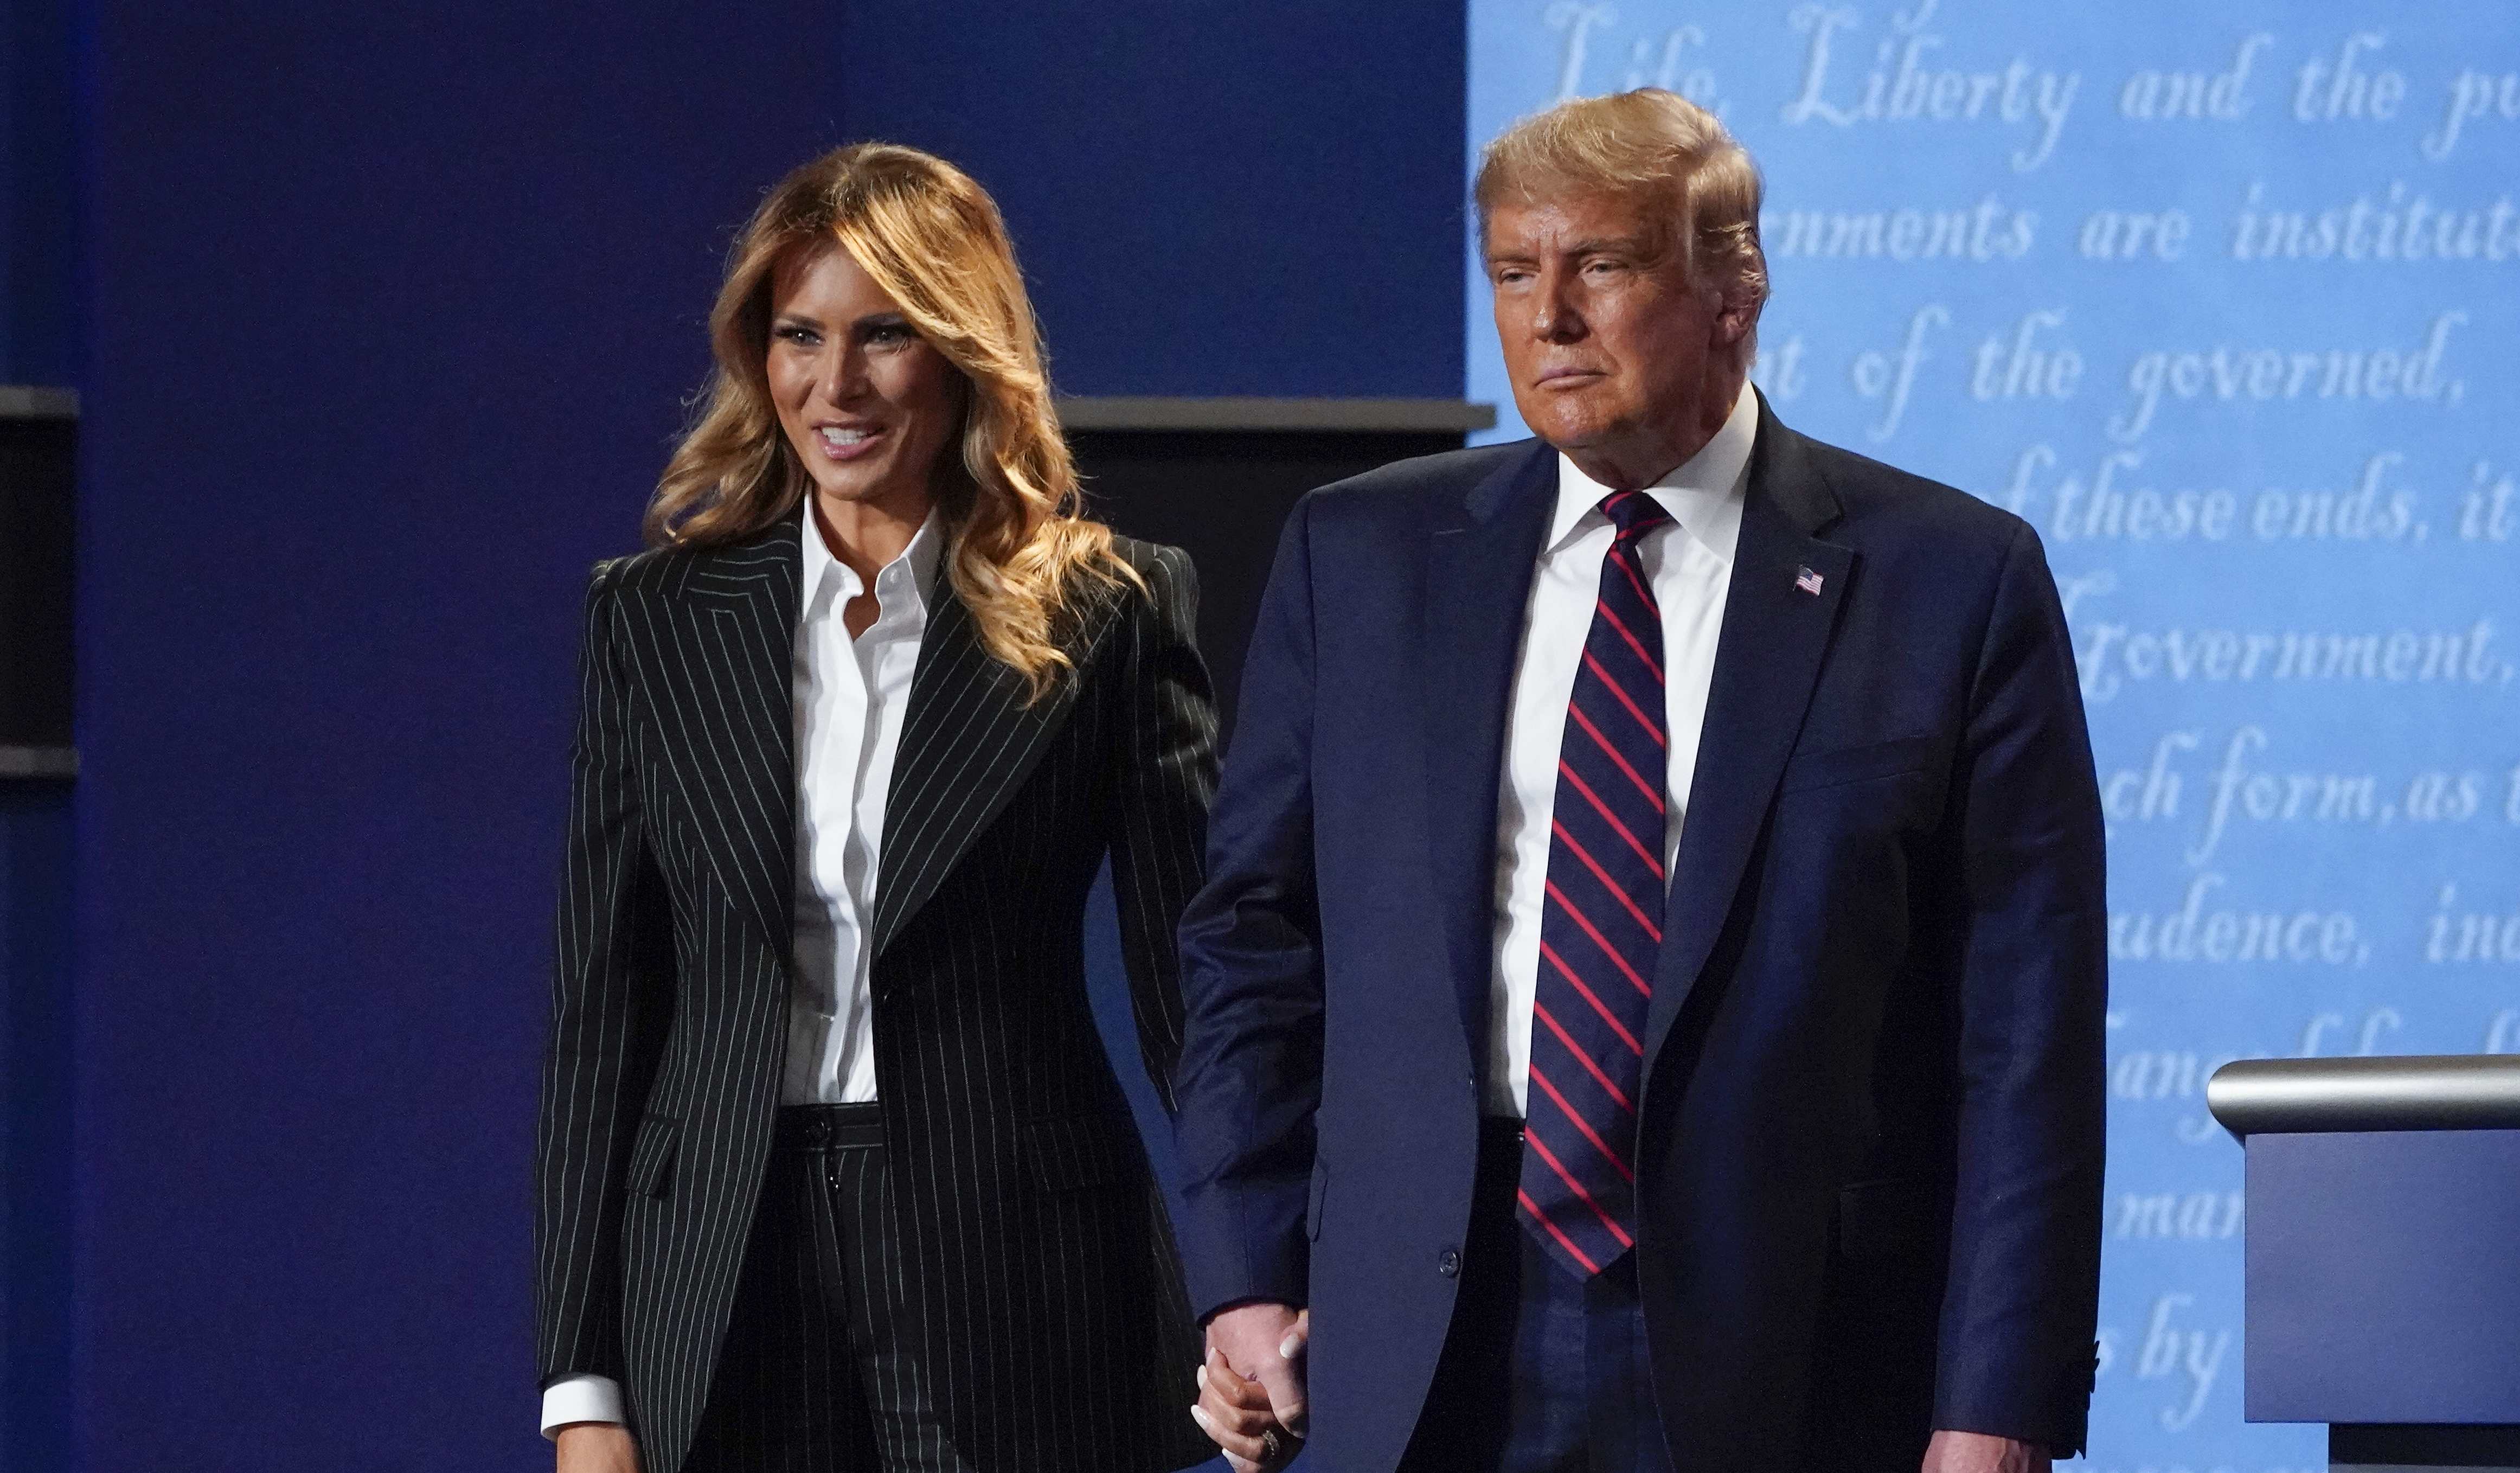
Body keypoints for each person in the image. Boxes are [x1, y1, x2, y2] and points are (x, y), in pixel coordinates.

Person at [1176, 89, 2105, 1473]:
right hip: (1418, 1331)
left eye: (1597, 266)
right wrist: (1244, 1272)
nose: (1546, 316)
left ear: (1732, 292)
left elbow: (2022, 1035)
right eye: (1511, 271)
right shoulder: (1361, 556)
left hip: (1797, 1348)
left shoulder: (1949, 581)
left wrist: (1995, 1402)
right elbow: (1254, 937)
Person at [533, 143, 1220, 1473]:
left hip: (1017, 1263)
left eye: (883, 334)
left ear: (965, 349)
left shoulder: (1113, 611)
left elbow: (1192, 991)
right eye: (798, 336)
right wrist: (582, 1383)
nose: (832, 385)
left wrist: (1264, 1279)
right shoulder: (653, 618)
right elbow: (600, 1010)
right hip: (716, 1271)